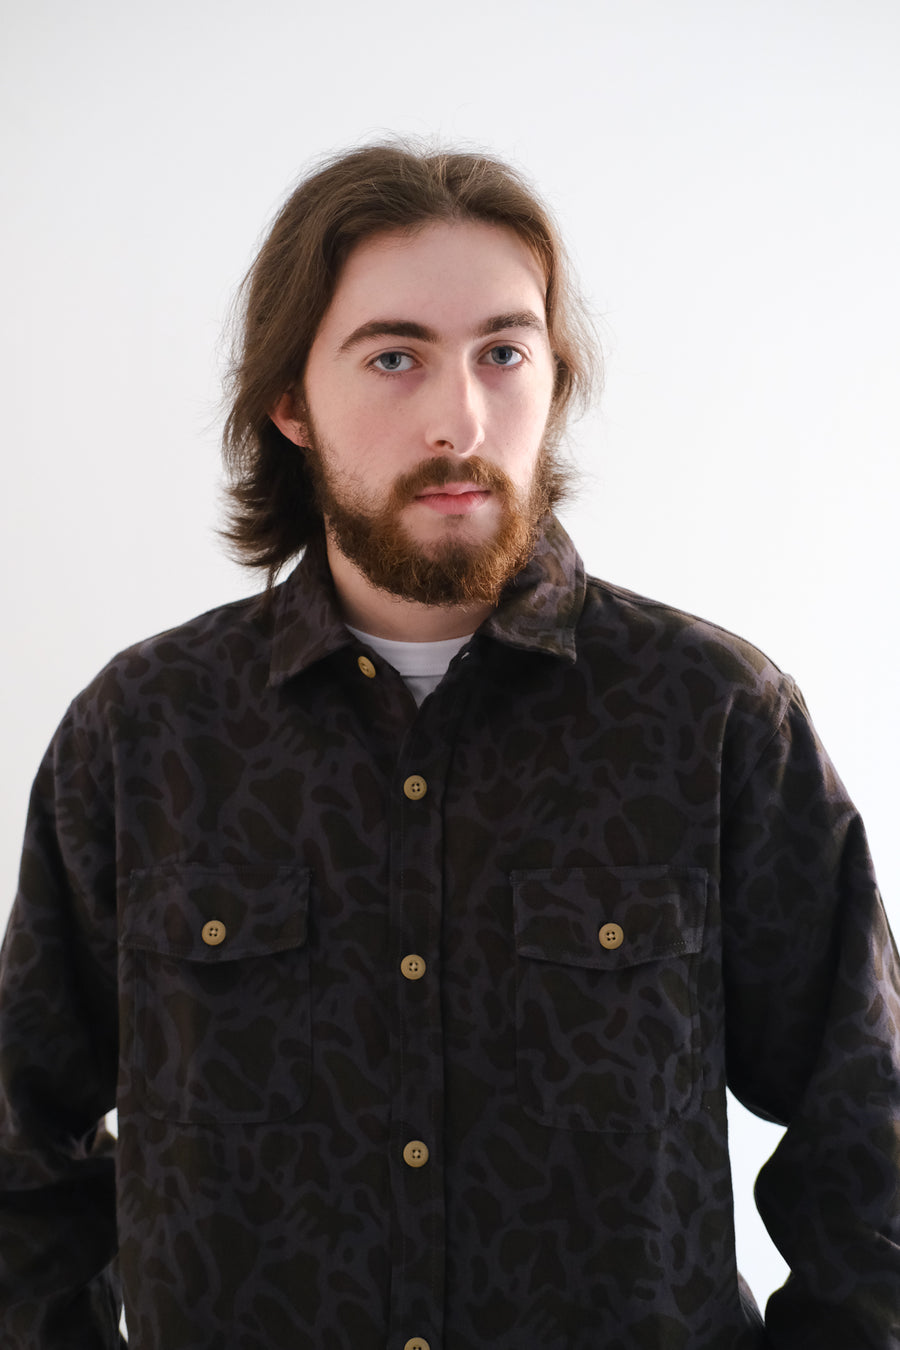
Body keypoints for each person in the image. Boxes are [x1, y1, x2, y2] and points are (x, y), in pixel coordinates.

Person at [0, 142, 897, 1350]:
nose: (459, 417)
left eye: (503, 352)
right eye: (393, 357)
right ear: (290, 401)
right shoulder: (144, 733)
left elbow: (869, 1126)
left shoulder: (717, 717)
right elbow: (22, 1141)